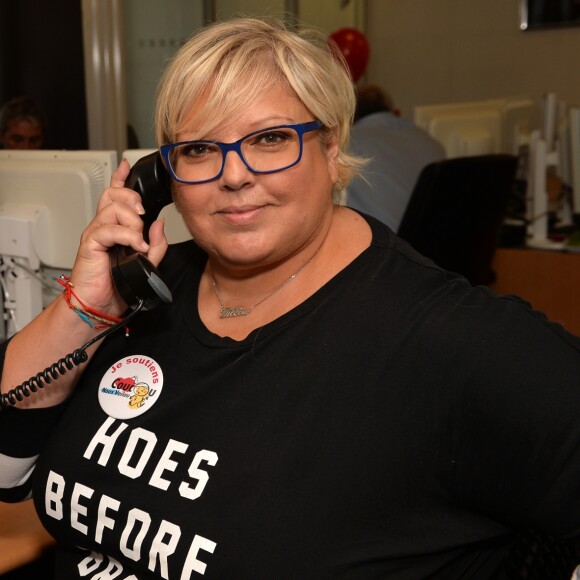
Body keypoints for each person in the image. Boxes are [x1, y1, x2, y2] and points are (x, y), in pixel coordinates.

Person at [0, 17, 579, 580]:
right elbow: (7, 471)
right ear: (164, 176)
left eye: (271, 139)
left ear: (332, 150)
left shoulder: (446, 337)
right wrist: (85, 310)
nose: (234, 175)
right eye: (200, 149)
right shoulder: (148, 293)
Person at [346, 84, 446, 231]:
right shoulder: (430, 141)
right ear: (395, 112)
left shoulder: (347, 146)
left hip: (386, 246)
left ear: (349, 117)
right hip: (438, 245)